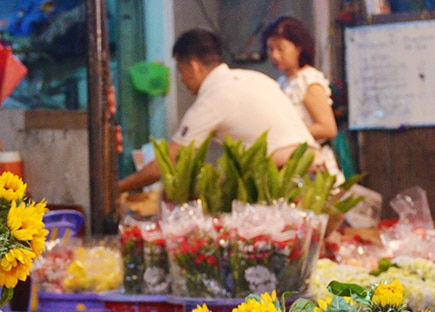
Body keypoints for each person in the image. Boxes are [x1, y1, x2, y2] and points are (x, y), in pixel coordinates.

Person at [118, 28, 317, 193]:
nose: (181, 79)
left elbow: (168, 163)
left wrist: (118, 188)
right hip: (319, 176)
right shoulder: (255, 78)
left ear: (194, 66)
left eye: (180, 70)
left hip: (288, 181)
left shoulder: (212, 100)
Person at [262, 16, 344, 181]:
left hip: (315, 165)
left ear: (299, 47)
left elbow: (328, 128)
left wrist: (287, 135)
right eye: (271, 49)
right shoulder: (283, 82)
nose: (275, 56)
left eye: (281, 49)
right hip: (293, 166)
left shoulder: (308, 80)